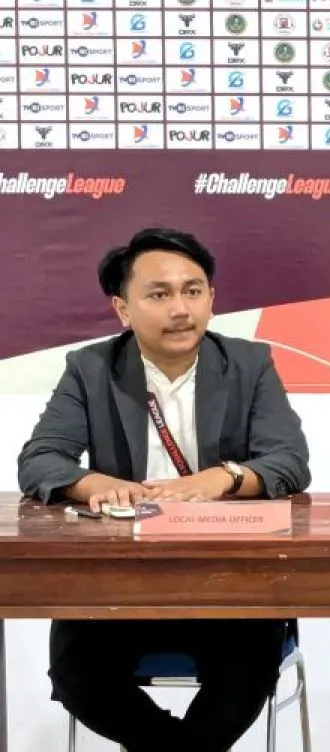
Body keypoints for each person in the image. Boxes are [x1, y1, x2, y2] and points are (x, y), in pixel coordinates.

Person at [17, 227, 311, 752]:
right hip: (120, 582)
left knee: (245, 673)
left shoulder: (249, 365)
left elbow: (289, 461)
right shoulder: (91, 368)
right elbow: (40, 460)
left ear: (211, 299)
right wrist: (96, 484)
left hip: (228, 584)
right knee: (77, 673)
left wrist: (221, 478)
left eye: (192, 291)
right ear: (122, 309)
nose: (180, 308)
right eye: (159, 294)